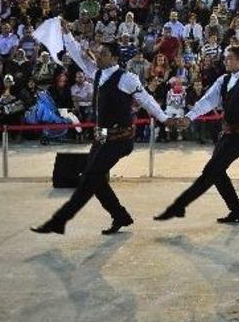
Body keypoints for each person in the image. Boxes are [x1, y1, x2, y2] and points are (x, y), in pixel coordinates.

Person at [31, 20, 171, 236]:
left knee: (89, 178)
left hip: (121, 139)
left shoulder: (127, 78)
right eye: (99, 53)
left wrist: (165, 119)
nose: (98, 56)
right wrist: (67, 35)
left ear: (114, 57)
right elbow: (78, 54)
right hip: (103, 137)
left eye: (103, 54)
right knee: (93, 178)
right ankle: (120, 216)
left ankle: (59, 220)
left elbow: (147, 100)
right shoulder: (96, 73)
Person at [154, 46, 239, 224]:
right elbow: (207, 101)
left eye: (230, 58)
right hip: (230, 134)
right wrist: (189, 117)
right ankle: (238, 212)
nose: (226, 61)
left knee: (211, 170)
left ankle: (179, 205)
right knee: (216, 172)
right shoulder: (223, 80)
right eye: (226, 58)